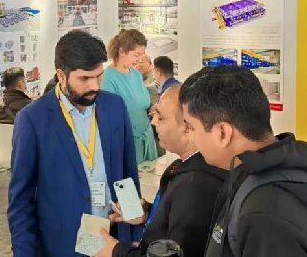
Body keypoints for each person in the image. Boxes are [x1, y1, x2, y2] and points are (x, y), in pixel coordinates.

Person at [179, 65, 307, 257]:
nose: (189, 136)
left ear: (222, 133)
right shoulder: (287, 162)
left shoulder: (264, 216)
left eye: (191, 127)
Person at [8, 30, 142, 257]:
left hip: (113, 238)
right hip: (64, 244)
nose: (95, 86)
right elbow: (21, 201)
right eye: (85, 78)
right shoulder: (33, 120)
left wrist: (135, 231)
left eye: (98, 76)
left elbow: (127, 172)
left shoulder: (114, 106)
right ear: (61, 75)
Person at [94, 86, 227, 257]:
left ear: (188, 126)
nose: (153, 122)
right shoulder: (183, 167)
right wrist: (150, 214)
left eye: (161, 117)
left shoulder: (195, 186)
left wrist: (114, 251)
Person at [101, 29, 158, 167]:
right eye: (136, 55)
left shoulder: (136, 74)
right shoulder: (108, 78)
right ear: (122, 52)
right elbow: (108, 118)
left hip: (147, 136)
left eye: (143, 55)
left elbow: (141, 103)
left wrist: (154, 108)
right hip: (126, 142)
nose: (140, 59)